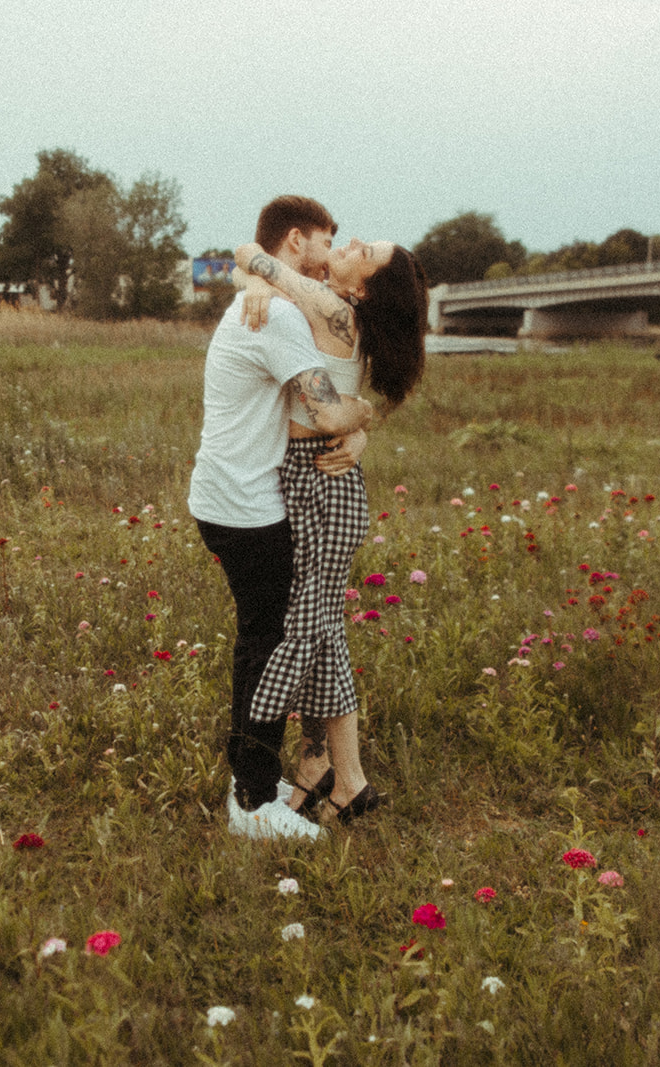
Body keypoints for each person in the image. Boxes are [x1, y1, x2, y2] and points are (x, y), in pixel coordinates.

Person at [189, 196, 374, 841]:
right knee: (265, 646)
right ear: (297, 242)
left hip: (227, 493)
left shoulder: (266, 301)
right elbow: (326, 413)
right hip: (246, 507)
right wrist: (365, 420)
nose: (332, 252)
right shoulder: (280, 319)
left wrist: (253, 273)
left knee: (261, 638)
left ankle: (258, 778)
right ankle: (254, 801)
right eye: (329, 240)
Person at [232, 234, 428, 826]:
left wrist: (258, 277)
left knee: (310, 630)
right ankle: (333, 774)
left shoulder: (332, 307)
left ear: (361, 287)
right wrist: (261, 284)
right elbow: (260, 272)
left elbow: (246, 251)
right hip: (320, 478)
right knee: (321, 629)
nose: (349, 244)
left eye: (363, 251)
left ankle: (292, 762)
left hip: (319, 480)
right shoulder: (335, 310)